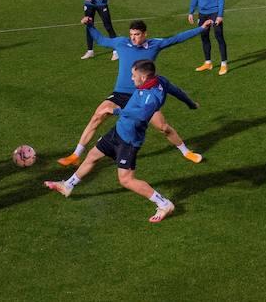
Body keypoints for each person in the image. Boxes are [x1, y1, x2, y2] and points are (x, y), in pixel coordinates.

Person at [45, 60, 185, 223]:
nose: (131, 78)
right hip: (118, 131)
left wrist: (115, 110)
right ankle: (68, 185)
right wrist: (190, 103)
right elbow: (176, 91)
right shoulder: (155, 83)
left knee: (126, 180)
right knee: (92, 156)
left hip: (129, 141)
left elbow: (141, 115)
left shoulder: (151, 96)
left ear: (144, 76)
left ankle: (164, 203)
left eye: (134, 75)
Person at [56, 18, 209, 167]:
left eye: (137, 34)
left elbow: (177, 38)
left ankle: (186, 152)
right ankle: (76, 155)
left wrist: (201, 28)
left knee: (163, 127)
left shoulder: (155, 45)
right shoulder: (121, 43)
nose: (133, 38)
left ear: (145, 34)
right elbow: (101, 40)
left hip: (143, 97)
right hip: (120, 94)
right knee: (97, 116)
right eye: (131, 34)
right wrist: (89, 25)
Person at [189, 0, 229, 75]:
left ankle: (224, 64)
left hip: (214, 12)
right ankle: (208, 62)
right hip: (202, 13)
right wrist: (191, 11)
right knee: (204, 37)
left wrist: (220, 15)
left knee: (219, 36)